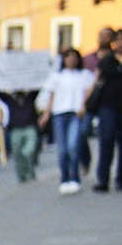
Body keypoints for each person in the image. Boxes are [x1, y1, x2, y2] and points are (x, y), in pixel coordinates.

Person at [89, 29, 122, 193]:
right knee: (107, 140)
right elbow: (97, 80)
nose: (121, 43)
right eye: (117, 40)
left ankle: (121, 178)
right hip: (108, 105)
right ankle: (103, 179)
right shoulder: (107, 60)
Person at [39, 48, 93, 196]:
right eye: (68, 57)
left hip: (75, 113)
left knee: (72, 147)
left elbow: (89, 90)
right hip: (59, 114)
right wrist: (46, 114)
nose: (71, 60)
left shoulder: (84, 75)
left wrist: (83, 105)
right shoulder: (57, 76)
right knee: (62, 150)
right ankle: (64, 178)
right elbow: (51, 96)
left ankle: (75, 178)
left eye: (74, 57)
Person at [3, 88, 41, 184]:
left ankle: (30, 172)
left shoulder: (30, 97)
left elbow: (38, 85)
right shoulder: (10, 99)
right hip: (15, 129)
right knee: (17, 153)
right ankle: (22, 175)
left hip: (30, 127)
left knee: (28, 150)